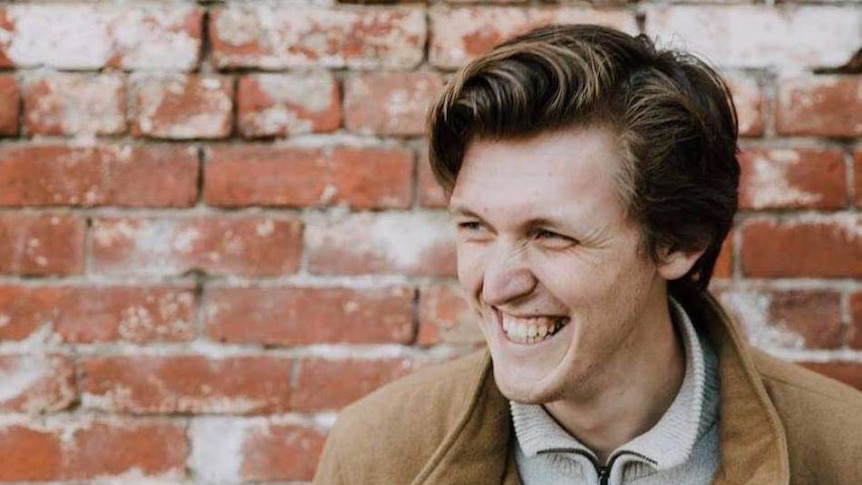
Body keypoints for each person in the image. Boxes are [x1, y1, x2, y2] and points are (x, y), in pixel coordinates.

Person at [312, 24, 862, 485]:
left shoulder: (844, 450)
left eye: (551, 235)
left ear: (678, 241)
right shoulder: (376, 456)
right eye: (475, 227)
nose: (497, 285)